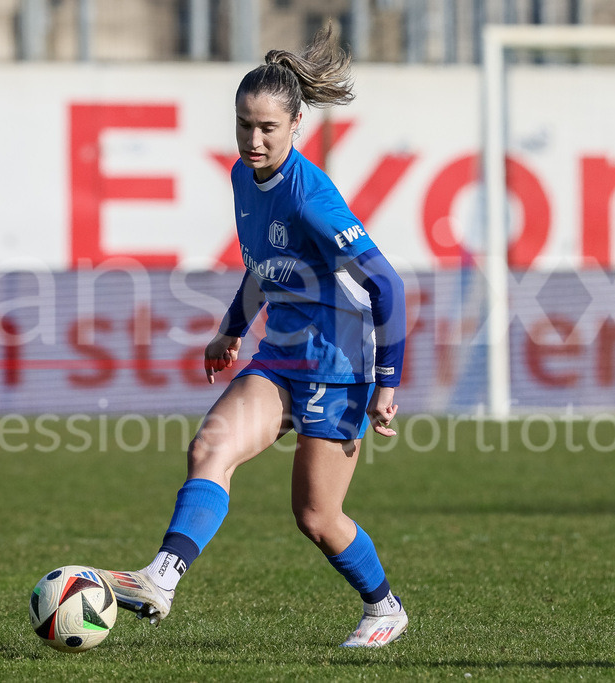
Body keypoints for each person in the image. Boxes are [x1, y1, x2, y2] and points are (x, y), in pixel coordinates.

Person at [95, 21, 408, 648]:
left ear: (296, 125)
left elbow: (388, 287)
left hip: (339, 367)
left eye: (268, 127)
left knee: (316, 517)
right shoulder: (243, 177)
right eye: (244, 125)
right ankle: (161, 578)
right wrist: (230, 330)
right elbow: (264, 265)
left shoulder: (311, 199)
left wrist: (386, 383)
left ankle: (384, 609)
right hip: (281, 358)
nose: (254, 139)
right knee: (210, 448)